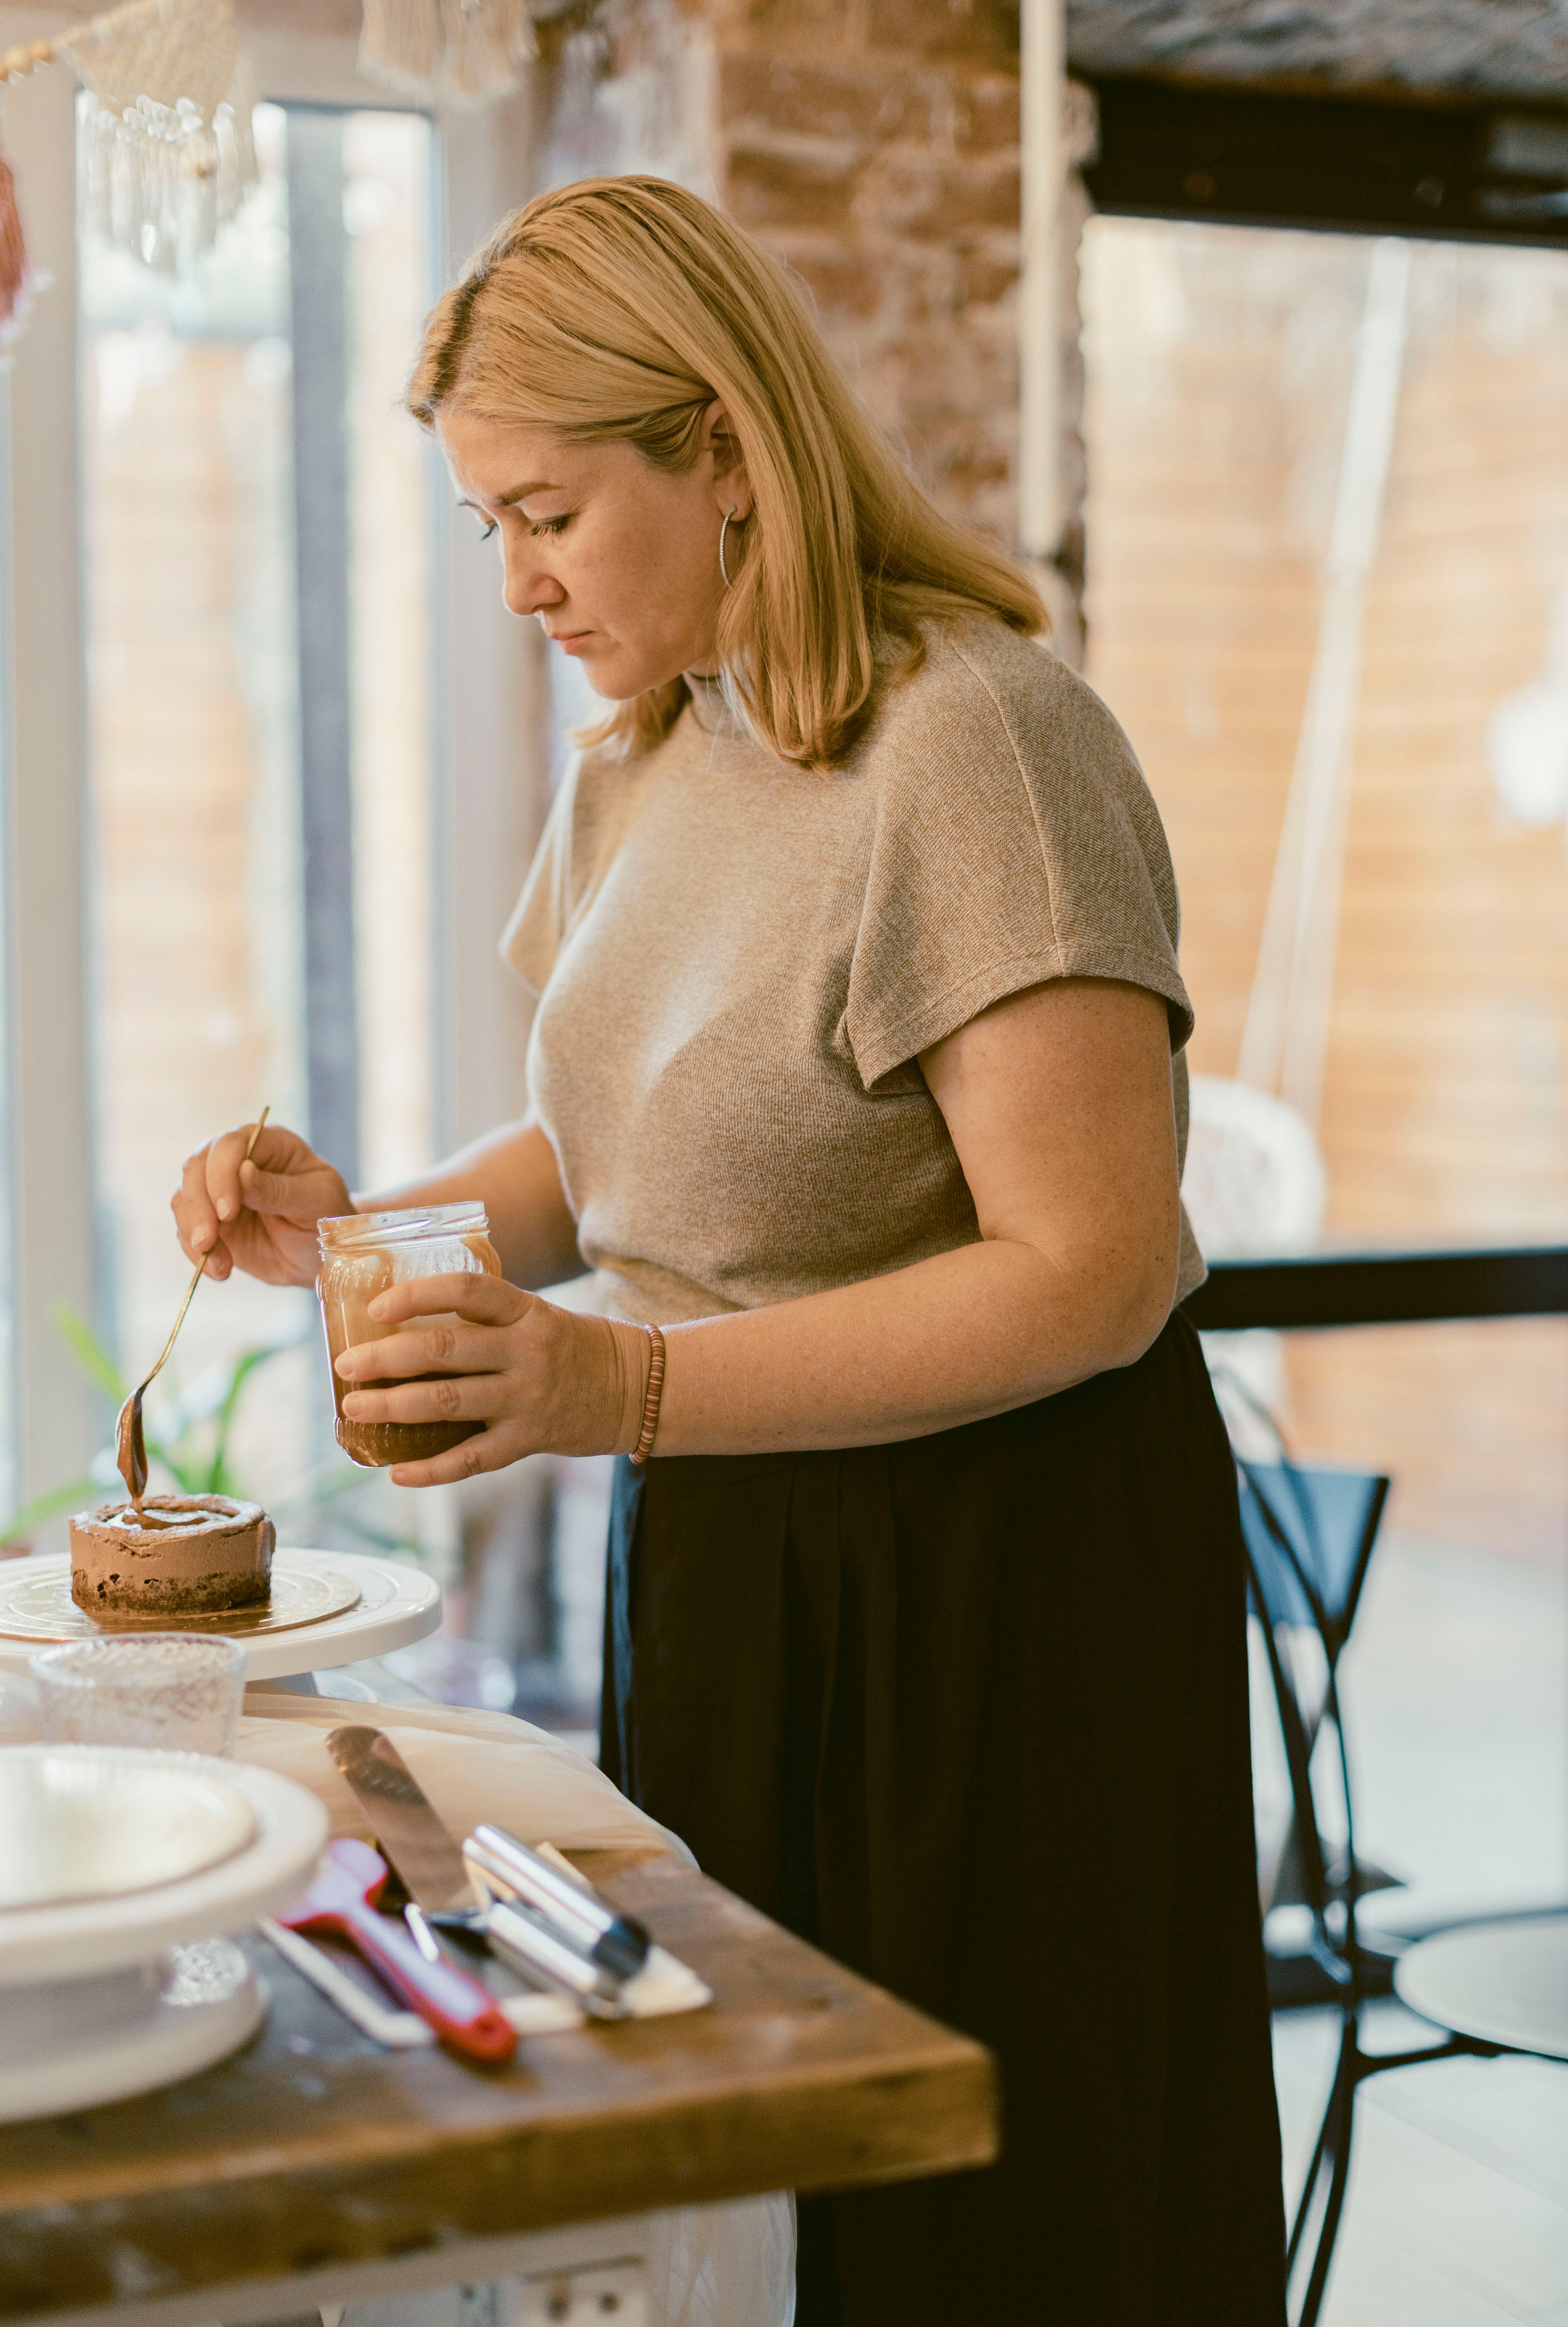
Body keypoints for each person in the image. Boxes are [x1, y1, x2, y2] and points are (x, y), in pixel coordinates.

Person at [174, 175, 1285, 2324]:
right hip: (740, 1551)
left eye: (550, 512)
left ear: (728, 449)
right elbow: (621, 1167)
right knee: (771, 2204)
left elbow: (1098, 1265)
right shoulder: (649, 753)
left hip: (998, 1577)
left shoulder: (973, 740)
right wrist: (360, 1228)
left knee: (997, 2228)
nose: (512, 580)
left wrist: (621, 1388)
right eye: (483, 525)